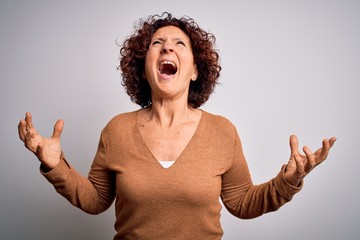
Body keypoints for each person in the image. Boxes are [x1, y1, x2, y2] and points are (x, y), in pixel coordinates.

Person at [18, 12, 336, 240]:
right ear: (144, 69)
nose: (168, 48)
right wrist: (55, 165)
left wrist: (289, 180)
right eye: (158, 43)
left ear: (195, 70)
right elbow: (95, 200)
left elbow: (242, 203)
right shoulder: (117, 130)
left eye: (179, 44)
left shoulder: (223, 132)